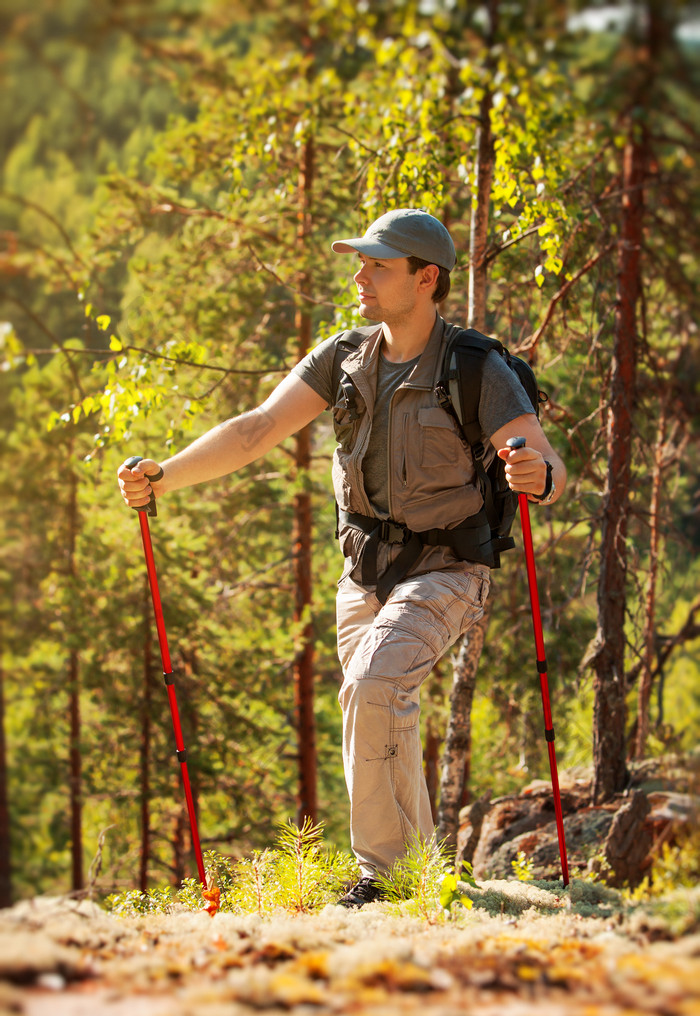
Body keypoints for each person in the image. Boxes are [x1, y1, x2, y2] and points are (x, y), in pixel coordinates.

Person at [118, 209, 566, 908]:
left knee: (373, 686)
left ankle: (382, 881)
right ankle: (425, 882)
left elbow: (546, 461)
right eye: (360, 262)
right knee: (383, 708)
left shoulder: (475, 367)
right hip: (363, 573)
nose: (360, 275)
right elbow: (258, 429)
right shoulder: (345, 356)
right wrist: (164, 475)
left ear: (426, 280)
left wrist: (538, 475)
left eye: (377, 265)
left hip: (449, 569)